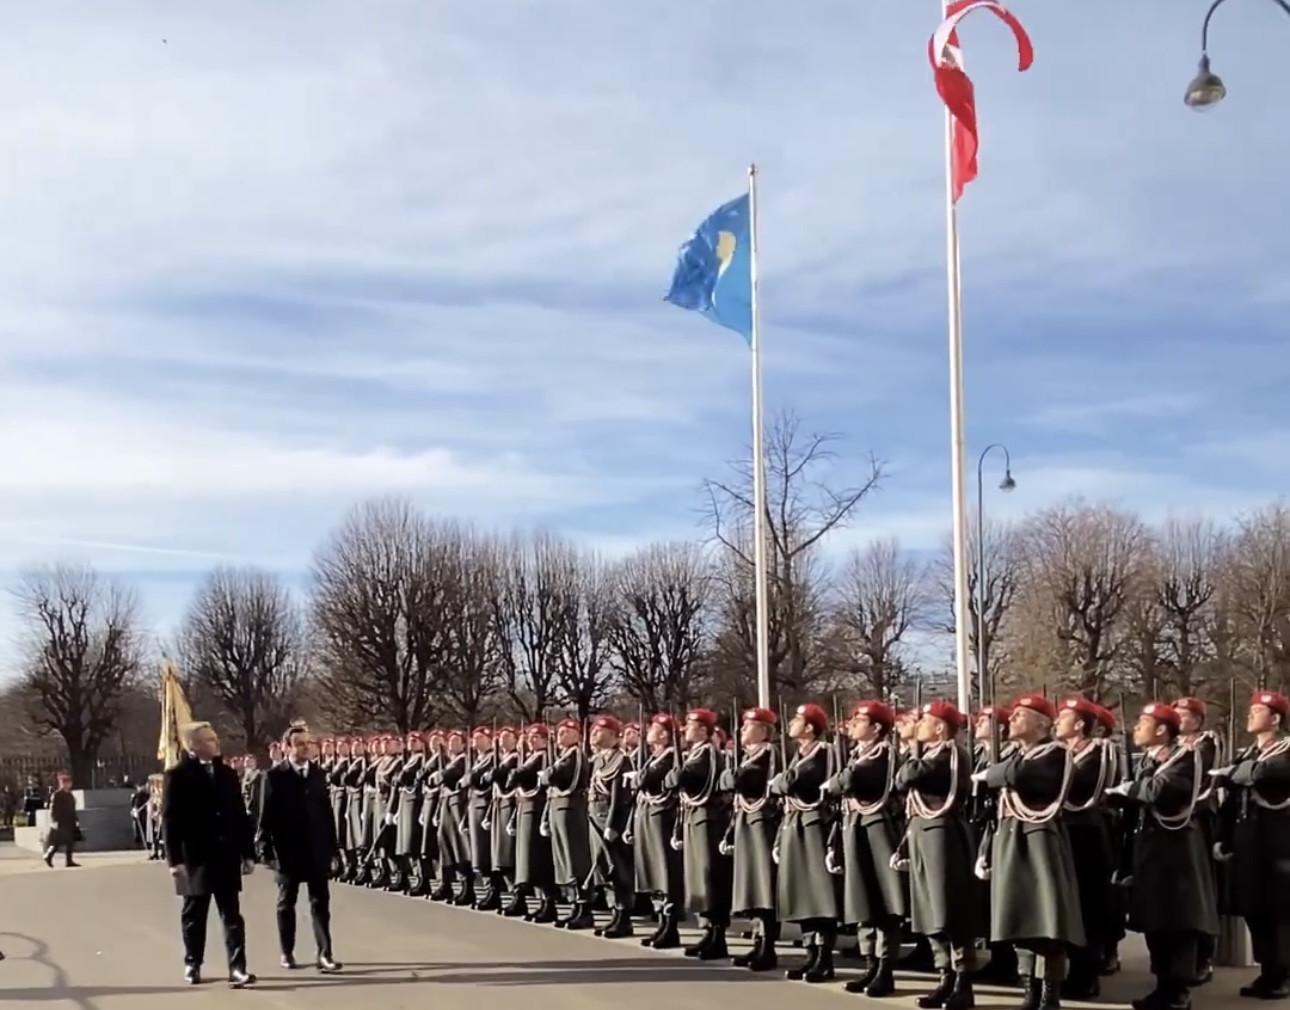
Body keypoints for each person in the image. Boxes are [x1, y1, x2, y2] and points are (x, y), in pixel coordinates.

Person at [160, 720, 257, 988]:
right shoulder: (177, 776)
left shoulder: (227, 774)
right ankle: (193, 962)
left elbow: (239, 815)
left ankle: (238, 967)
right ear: (195, 745)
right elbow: (170, 820)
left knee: (232, 915)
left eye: (215, 738)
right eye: (209, 740)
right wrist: (174, 860)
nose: (215, 743)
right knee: (195, 914)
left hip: (225, 854)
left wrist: (248, 853)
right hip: (195, 857)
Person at [256, 725, 343, 974]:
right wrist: (265, 849)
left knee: (320, 903)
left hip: (316, 848)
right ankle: (287, 951)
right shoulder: (274, 776)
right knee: (286, 904)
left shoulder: (318, 774)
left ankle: (325, 953)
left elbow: (327, 814)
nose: (306, 748)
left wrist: (334, 849)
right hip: (287, 850)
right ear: (287, 748)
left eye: (308, 743)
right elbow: (266, 816)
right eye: (300, 744)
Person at [43, 772, 80, 868]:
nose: (69, 784)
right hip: (62, 821)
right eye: (67, 782)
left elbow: (72, 809)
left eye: (69, 782)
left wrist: (76, 820)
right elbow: (53, 808)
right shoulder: (57, 795)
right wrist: (55, 820)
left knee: (70, 841)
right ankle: (48, 855)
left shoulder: (69, 795)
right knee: (58, 842)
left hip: (69, 821)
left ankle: (69, 860)